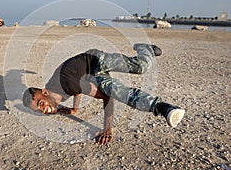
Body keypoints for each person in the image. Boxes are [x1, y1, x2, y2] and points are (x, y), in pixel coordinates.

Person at [23, 43, 185, 145]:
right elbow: (75, 92)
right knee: (115, 89)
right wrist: (74, 109)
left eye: (40, 103)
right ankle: (163, 108)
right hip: (88, 74)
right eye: (38, 110)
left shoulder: (66, 83)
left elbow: (105, 97)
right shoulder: (53, 93)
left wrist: (107, 129)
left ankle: (144, 48)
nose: (43, 109)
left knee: (142, 67)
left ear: (44, 93)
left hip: (96, 60)